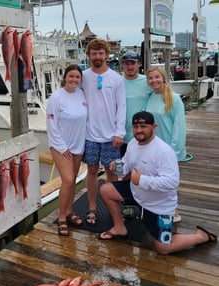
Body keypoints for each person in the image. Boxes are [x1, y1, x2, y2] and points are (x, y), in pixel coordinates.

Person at [99, 111, 217, 254]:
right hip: (137, 193)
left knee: (164, 248)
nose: (139, 130)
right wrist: (118, 166)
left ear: (153, 127)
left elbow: (172, 182)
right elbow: (126, 166)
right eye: (135, 126)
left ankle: (201, 236)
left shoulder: (164, 151)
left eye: (143, 126)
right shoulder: (132, 143)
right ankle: (119, 227)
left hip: (159, 205)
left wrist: (141, 180)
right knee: (105, 190)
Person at [81, 38, 126, 225]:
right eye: (94, 53)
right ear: (89, 56)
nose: (97, 56)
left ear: (107, 55)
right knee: (91, 170)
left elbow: (121, 106)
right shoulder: (83, 76)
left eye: (101, 53)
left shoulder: (116, 78)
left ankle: (112, 207)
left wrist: (119, 132)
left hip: (111, 136)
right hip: (90, 134)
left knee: (112, 172)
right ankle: (92, 207)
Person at [46, 64, 87, 236]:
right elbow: (51, 124)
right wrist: (62, 147)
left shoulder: (81, 94)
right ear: (65, 77)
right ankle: (62, 217)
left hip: (79, 145)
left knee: (74, 181)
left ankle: (69, 212)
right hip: (60, 146)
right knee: (68, 180)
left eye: (77, 77)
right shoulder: (56, 98)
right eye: (71, 76)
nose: (74, 80)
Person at [145, 66, 187, 222]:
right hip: (153, 148)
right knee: (156, 181)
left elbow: (179, 126)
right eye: (151, 78)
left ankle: (174, 211)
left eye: (157, 77)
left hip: (169, 148)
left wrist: (175, 151)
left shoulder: (174, 98)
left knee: (169, 183)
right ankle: (158, 210)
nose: (154, 80)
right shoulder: (150, 97)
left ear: (163, 78)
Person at [121, 50, 152, 157]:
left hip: (142, 135)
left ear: (139, 64)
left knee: (142, 170)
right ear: (122, 65)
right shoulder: (117, 82)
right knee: (123, 171)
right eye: (127, 63)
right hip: (121, 136)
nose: (130, 67)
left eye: (133, 63)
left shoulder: (148, 81)